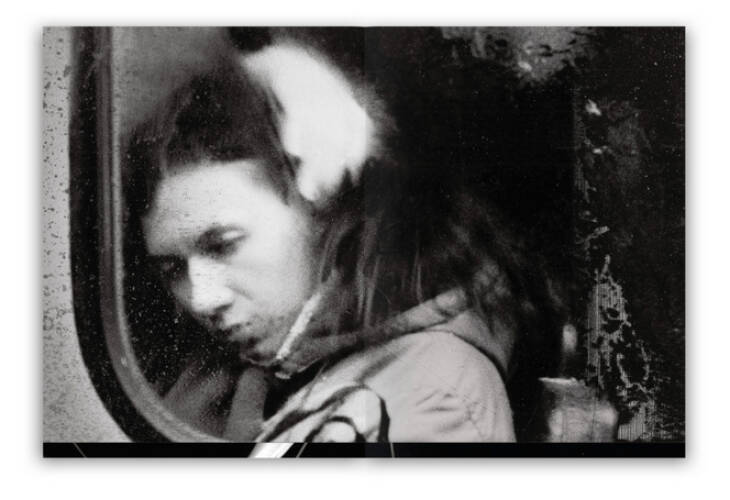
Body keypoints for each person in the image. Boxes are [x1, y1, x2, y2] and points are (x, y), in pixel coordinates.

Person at [124, 36, 565, 442]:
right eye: (172, 268)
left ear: (321, 210)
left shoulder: (429, 398)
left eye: (224, 245)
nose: (202, 298)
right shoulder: (231, 377)